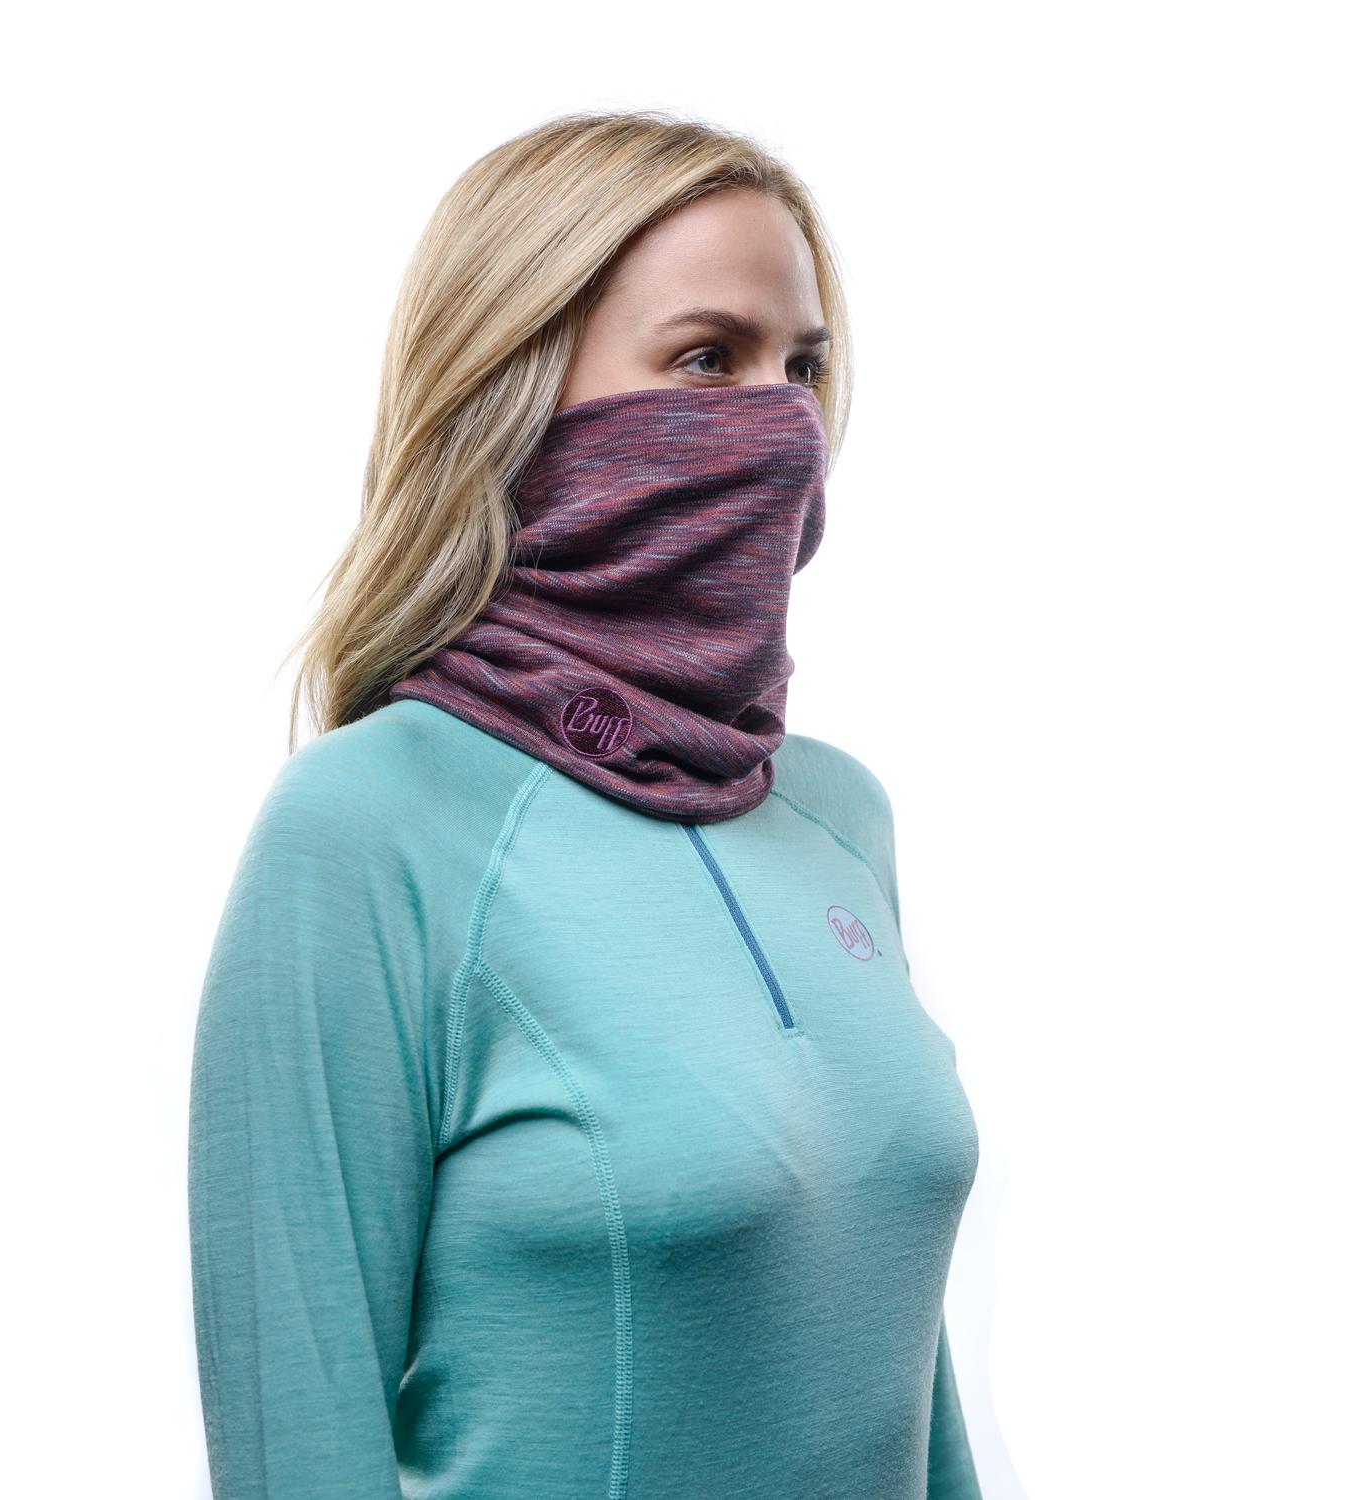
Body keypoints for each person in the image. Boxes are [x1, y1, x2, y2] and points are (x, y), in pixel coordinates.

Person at [188, 108, 984, 1499]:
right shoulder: (367, 830)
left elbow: (908, 1382)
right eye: (707, 358)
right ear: (514, 392)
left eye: (803, 367)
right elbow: (295, 1436)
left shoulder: (840, 819)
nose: (782, 425)